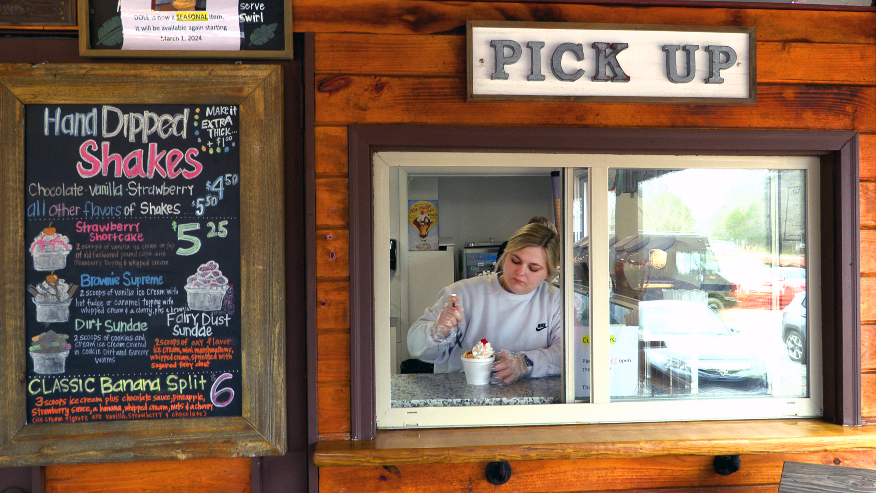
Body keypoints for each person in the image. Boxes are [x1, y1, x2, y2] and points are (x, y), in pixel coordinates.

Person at [407, 222, 562, 384]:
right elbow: (415, 347)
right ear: (505, 256)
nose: (521, 272)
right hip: (462, 396)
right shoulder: (464, 293)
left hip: (529, 402)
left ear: (548, 274)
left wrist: (525, 363)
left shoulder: (554, 301)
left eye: (533, 268)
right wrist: (438, 332)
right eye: (515, 261)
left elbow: (567, 354)